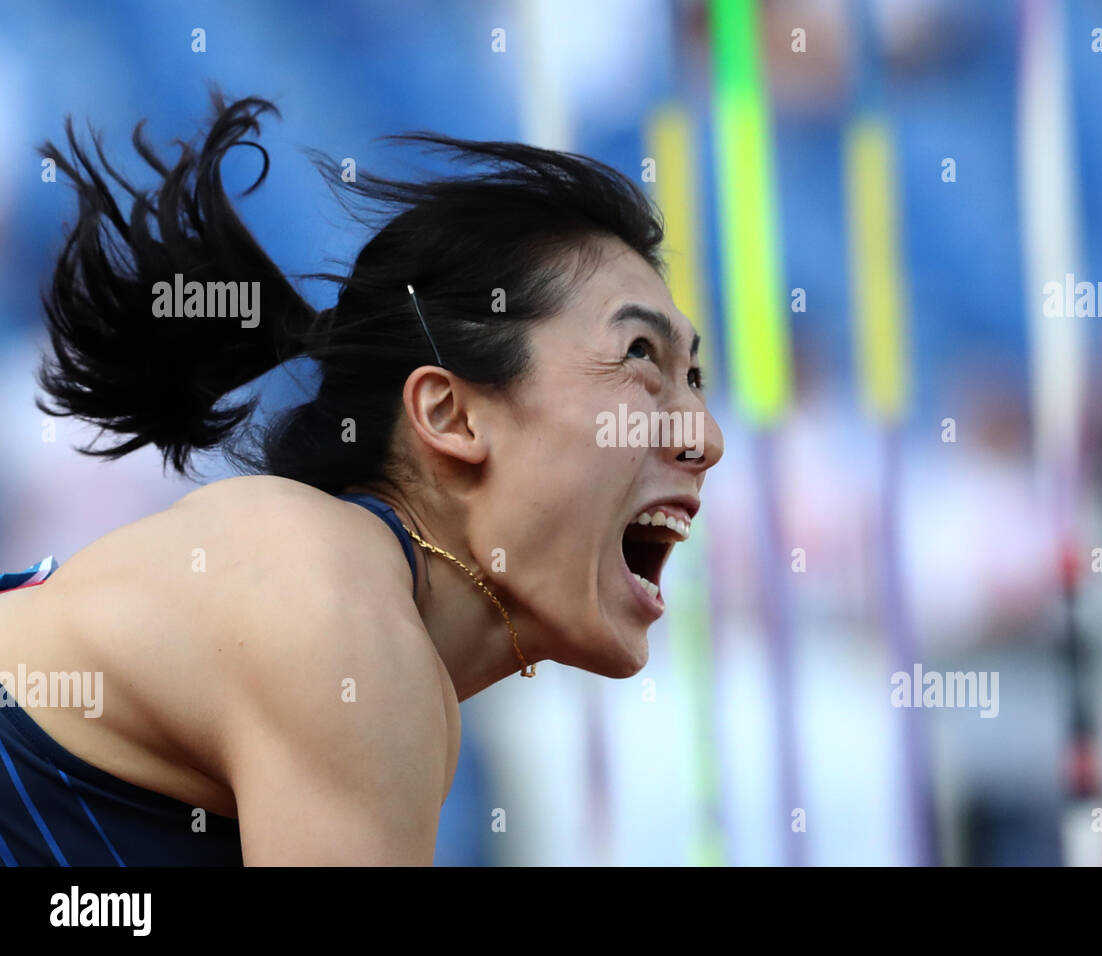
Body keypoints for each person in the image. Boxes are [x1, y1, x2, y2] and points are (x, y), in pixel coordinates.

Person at [0, 90, 723, 865]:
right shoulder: (340, 624)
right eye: (640, 357)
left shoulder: (358, 637)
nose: (704, 438)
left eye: (697, 378)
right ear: (450, 415)